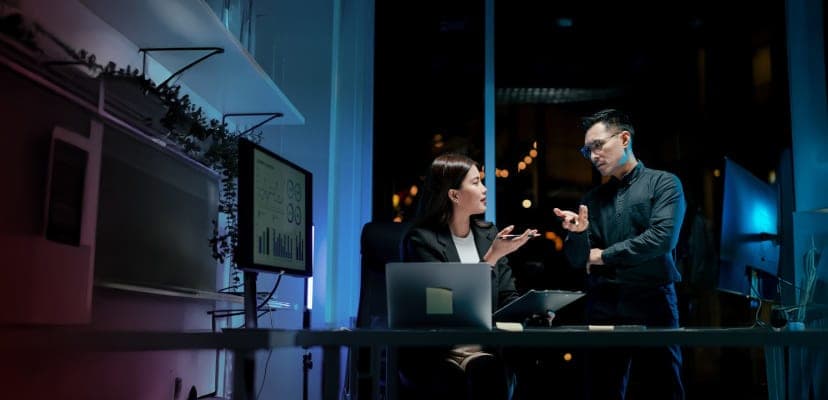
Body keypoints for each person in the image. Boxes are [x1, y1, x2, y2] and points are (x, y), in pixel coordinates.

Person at [553, 109, 686, 400]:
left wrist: (603, 256)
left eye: (598, 145)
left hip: (653, 300)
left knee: (664, 388)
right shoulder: (592, 199)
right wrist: (576, 235)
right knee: (601, 391)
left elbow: (661, 239)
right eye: (587, 150)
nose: (592, 155)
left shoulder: (663, 183)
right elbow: (577, 260)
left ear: (624, 138)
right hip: (604, 302)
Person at [401, 152, 538, 400]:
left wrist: (533, 308)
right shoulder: (422, 240)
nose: (484, 188)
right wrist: (491, 259)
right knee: (463, 377)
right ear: (454, 195)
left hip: (486, 348)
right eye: (475, 183)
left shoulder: (488, 235)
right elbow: (442, 304)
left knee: (504, 367)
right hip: (441, 351)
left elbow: (507, 296)